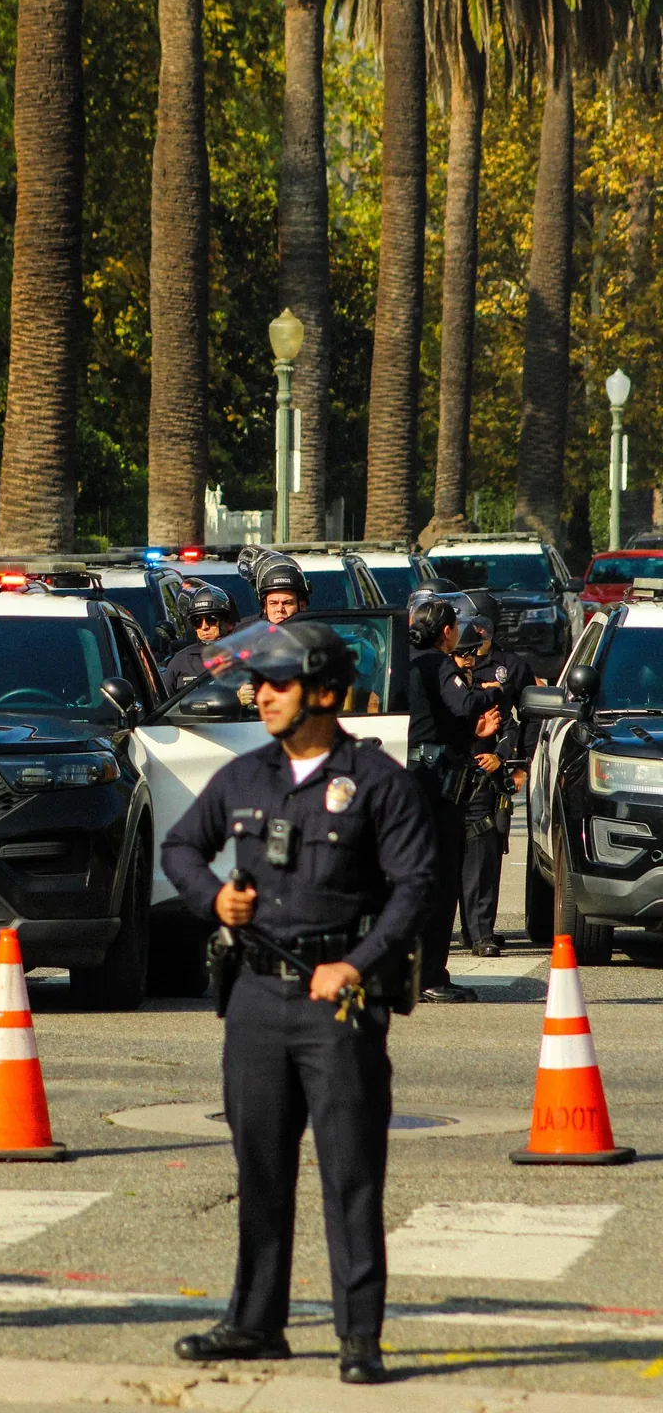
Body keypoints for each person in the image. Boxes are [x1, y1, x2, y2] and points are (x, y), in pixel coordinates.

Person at [162, 620, 436, 1386]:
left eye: (277, 684)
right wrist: (215, 898)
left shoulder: (377, 783)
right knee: (260, 1168)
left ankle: (360, 1337)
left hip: (336, 1006)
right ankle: (255, 1322)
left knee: (350, 1175)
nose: (262, 696)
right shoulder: (245, 777)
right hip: (254, 997)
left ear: (322, 691)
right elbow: (179, 846)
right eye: (260, 684)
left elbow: (416, 886)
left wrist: (356, 964)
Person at [408, 597, 502, 1002]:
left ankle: (414, 972)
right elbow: (461, 703)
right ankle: (431, 976)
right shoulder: (440, 664)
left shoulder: (408, 662)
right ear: (446, 631)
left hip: (413, 782)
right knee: (444, 881)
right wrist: (489, 693)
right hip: (437, 787)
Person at [453, 594, 539, 956]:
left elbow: (521, 721)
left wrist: (513, 762)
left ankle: (481, 931)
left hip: (487, 775)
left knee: (484, 854)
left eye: (483, 628)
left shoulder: (509, 668)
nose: (476, 639)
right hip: (447, 771)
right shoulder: (440, 670)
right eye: (470, 631)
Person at [162, 583, 238, 696]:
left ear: (225, 622)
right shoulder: (181, 661)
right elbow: (163, 704)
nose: (204, 627)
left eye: (211, 620)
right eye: (197, 621)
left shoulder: (243, 656)